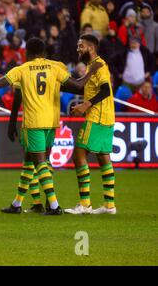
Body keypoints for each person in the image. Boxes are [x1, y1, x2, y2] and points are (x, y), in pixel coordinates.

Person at [0, 37, 102, 215]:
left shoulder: (22, 69)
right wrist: (91, 72)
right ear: (44, 52)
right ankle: (18, 203)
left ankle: (53, 205)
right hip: (52, 121)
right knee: (38, 160)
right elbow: (78, 86)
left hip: (34, 121)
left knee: (38, 162)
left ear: (27, 53)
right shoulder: (56, 67)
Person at [64, 34, 117, 215]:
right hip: (107, 117)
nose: (78, 49)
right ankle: (109, 205)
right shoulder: (92, 66)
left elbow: (105, 90)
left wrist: (86, 104)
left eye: (81, 46)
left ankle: (85, 204)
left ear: (91, 48)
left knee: (78, 155)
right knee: (103, 157)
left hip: (96, 116)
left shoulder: (99, 65)